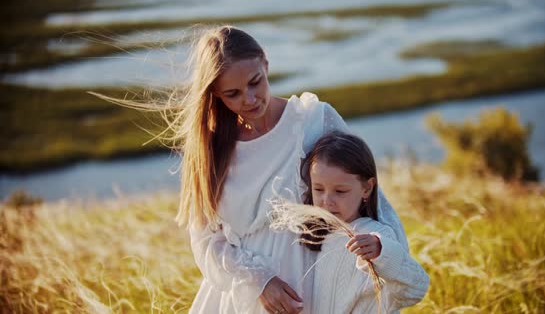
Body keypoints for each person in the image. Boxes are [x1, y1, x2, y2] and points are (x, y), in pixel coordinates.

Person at [106, 25, 410, 313]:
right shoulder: (209, 149)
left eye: (255, 82)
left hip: (313, 288)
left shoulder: (314, 120)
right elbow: (206, 241)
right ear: (215, 95)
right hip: (243, 298)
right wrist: (260, 282)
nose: (249, 100)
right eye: (232, 94)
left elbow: (369, 202)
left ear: (265, 63)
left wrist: (386, 252)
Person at [299, 131, 430, 313]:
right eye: (318, 189)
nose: (327, 201)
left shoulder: (376, 236)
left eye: (340, 191)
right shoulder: (317, 237)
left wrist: (382, 253)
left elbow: (416, 288)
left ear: (367, 188)